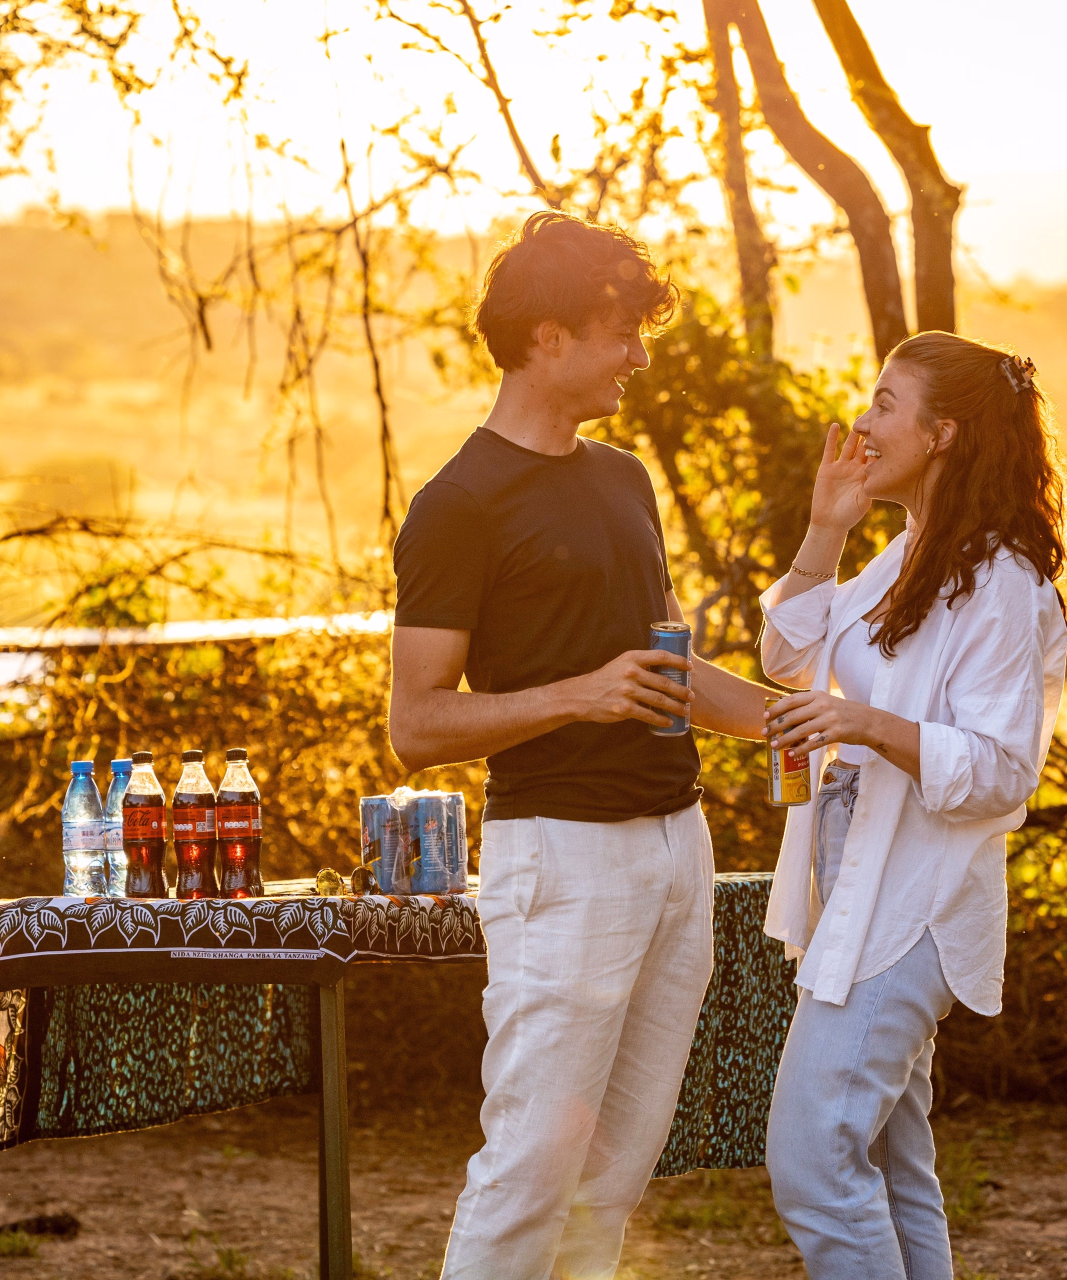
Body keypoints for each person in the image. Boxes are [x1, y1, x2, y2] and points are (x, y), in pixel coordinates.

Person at [388, 210, 774, 1280]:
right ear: (546, 337)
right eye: (621, 333)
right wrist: (576, 694)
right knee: (530, 1171)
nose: (640, 357)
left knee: (613, 1174)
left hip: (676, 847)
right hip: (561, 859)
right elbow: (416, 722)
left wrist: (804, 719)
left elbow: (661, 674)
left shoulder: (623, 480)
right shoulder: (458, 504)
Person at [757, 331, 1067, 1280]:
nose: (864, 419)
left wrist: (867, 723)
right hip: (853, 883)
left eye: (886, 402)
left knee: (813, 1161)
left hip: (913, 904)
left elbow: (1001, 770)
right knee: (894, 1169)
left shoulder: (1003, 585)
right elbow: (785, 660)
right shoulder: (905, 556)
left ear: (942, 433)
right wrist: (825, 529)